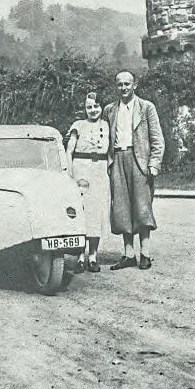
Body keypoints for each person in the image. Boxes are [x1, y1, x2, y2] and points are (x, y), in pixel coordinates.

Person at [103, 70, 165, 270]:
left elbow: (157, 139)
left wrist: (154, 163)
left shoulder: (146, 107)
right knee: (121, 208)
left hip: (140, 161)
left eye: (127, 84)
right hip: (117, 160)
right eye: (120, 84)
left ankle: (145, 253)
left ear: (134, 85)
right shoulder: (109, 110)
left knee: (142, 207)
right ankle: (128, 254)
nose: (123, 88)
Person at [66, 92, 110, 273]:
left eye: (96, 106)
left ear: (102, 107)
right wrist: (69, 173)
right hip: (81, 170)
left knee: (96, 213)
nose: (93, 110)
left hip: (99, 170)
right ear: (85, 109)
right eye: (89, 107)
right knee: (81, 212)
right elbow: (69, 151)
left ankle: (93, 256)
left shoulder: (107, 125)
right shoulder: (78, 125)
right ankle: (80, 257)